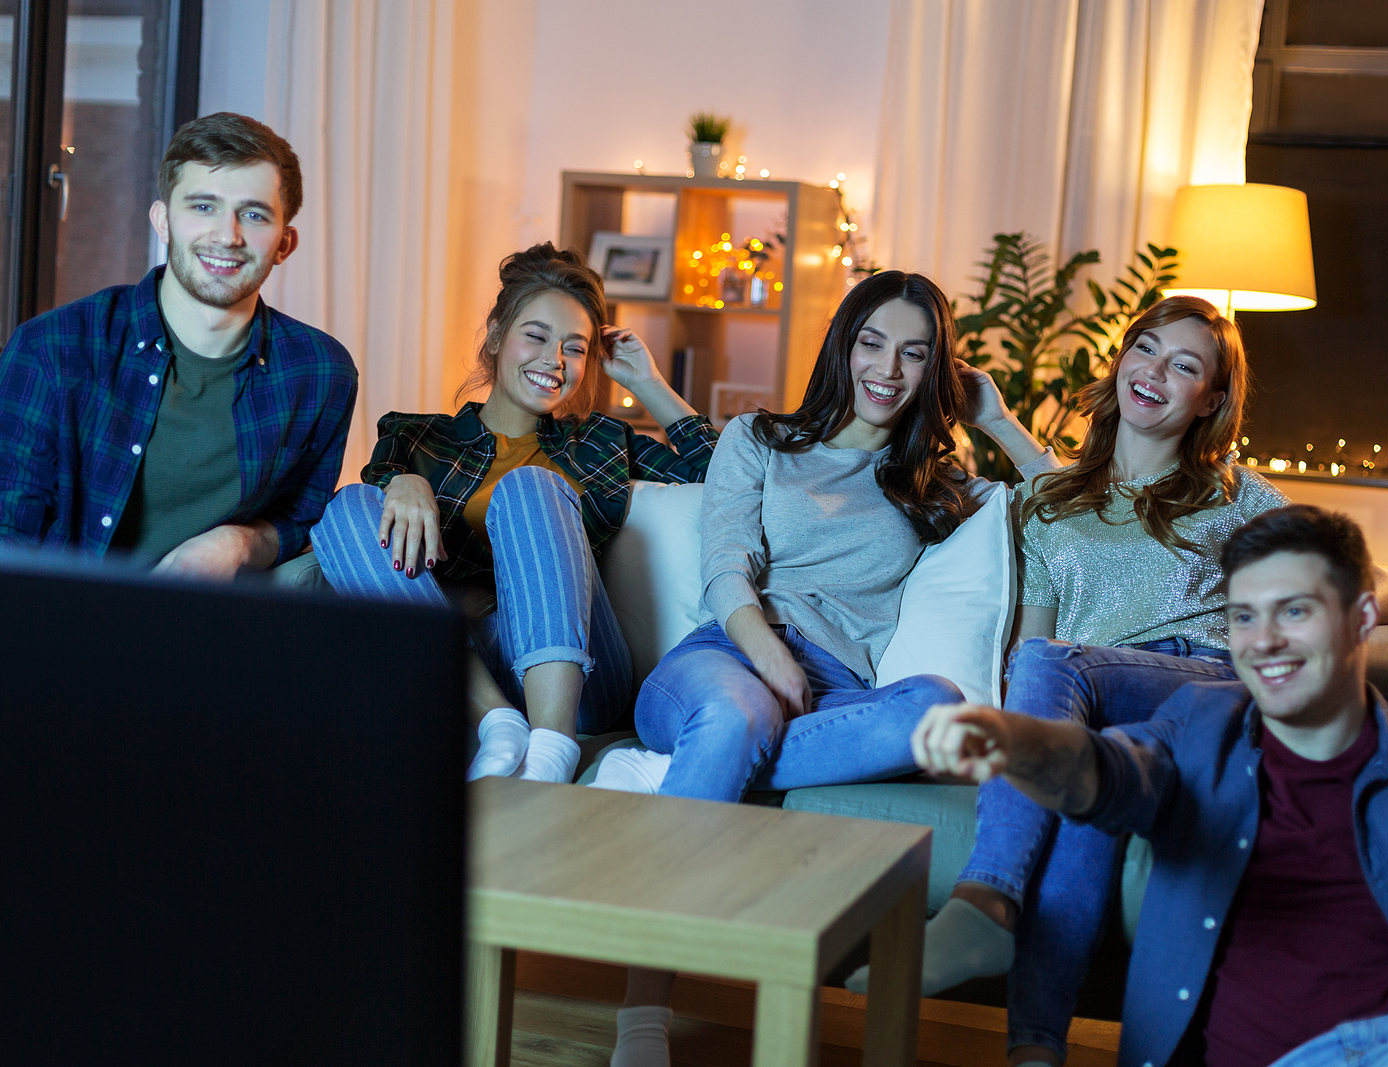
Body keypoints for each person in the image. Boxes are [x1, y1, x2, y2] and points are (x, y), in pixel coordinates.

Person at [915, 504, 1388, 1067]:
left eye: (1293, 611)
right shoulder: (1198, 724)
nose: (1262, 640)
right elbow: (1103, 771)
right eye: (1244, 616)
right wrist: (1011, 738)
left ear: (1362, 617)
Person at [599, 269, 1059, 1067]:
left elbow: (1070, 510)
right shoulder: (758, 440)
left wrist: (1000, 420)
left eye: (914, 354)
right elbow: (723, 568)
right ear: (843, 344)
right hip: (728, 654)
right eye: (873, 343)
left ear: (933, 372)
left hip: (838, 693)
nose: (887, 369)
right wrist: (768, 652)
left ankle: (696, 767)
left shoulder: (937, 485)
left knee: (937, 705)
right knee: (739, 713)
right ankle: (642, 1011)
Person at [846, 295, 1286, 1062]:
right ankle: (1035, 1049)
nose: (1154, 371)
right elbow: (1033, 648)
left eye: (1184, 365)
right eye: (1144, 349)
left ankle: (984, 898)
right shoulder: (1050, 505)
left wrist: (1367, 595)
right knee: (1080, 776)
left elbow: (1348, 577)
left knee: (1048, 667)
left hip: (1209, 690)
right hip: (1112, 716)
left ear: (1210, 398)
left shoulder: (1238, 498)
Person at [310, 242, 716, 784]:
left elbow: (724, 475)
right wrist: (400, 480)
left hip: (581, 677)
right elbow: (366, 518)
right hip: (459, 660)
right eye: (537, 336)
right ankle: (496, 722)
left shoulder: (600, 442)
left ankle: (550, 751)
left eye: (576, 348)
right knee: (346, 507)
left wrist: (648, 383)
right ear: (497, 335)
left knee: (530, 487)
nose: (555, 360)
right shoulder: (416, 436)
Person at [0, 112, 356, 578]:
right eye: (203, 207)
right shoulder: (53, 350)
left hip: (211, 633)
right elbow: (9, 537)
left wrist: (239, 541)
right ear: (163, 221)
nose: (227, 236)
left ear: (285, 243)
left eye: (253, 214)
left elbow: (304, 516)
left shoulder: (320, 372)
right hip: (62, 626)